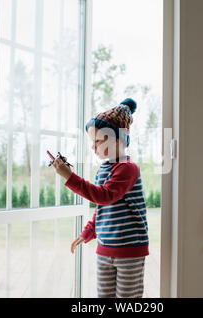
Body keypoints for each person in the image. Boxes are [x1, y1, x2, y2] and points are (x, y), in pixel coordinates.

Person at [51, 98, 149, 298]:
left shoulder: (128, 169)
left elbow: (103, 197)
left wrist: (69, 177)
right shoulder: (103, 169)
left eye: (97, 141)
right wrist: (88, 233)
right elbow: (102, 209)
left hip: (129, 251)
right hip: (105, 250)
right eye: (91, 142)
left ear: (117, 139)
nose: (92, 147)